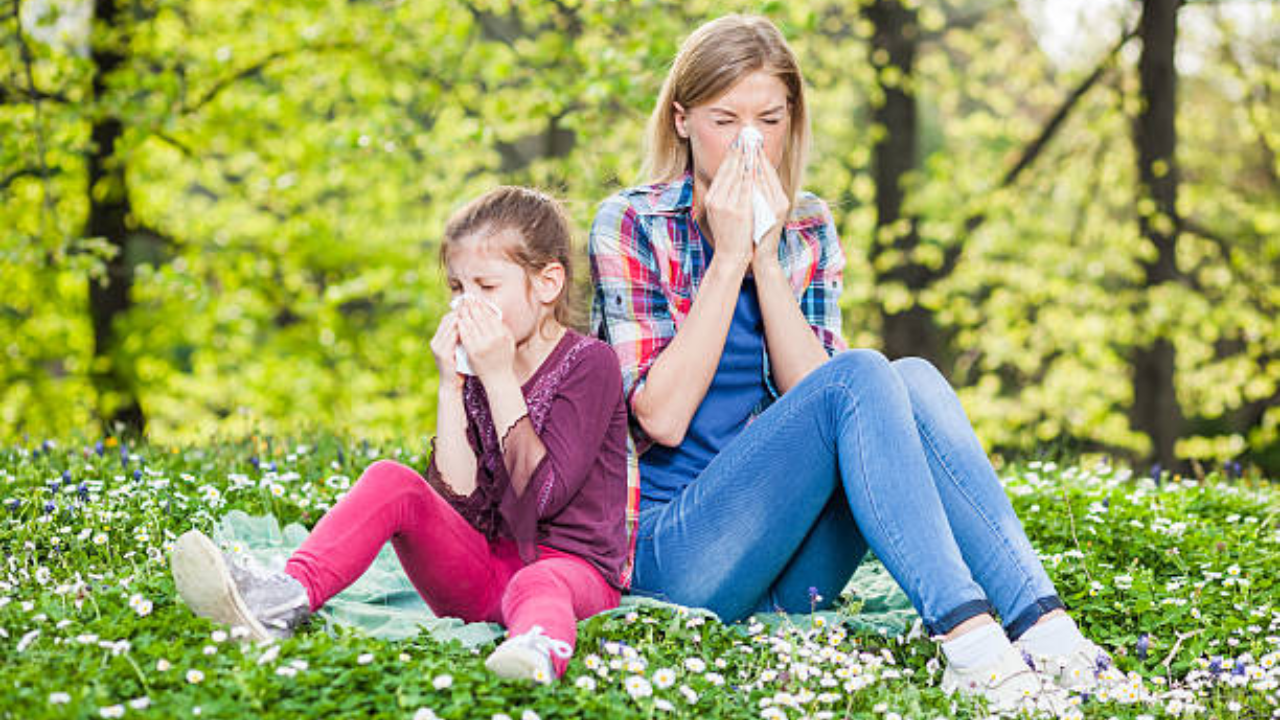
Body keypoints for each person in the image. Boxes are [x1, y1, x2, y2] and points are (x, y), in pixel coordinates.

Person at [588, 14, 1108, 712]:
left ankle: (1043, 628)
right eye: (724, 120)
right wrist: (728, 259)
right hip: (674, 559)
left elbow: (831, 402)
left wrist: (766, 258)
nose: (750, 142)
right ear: (681, 121)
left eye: (769, 120)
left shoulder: (807, 226)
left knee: (910, 380)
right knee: (867, 371)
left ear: (791, 122)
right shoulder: (631, 223)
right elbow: (662, 415)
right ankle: (970, 642)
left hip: (786, 561)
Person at [172, 186, 630, 683]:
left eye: (486, 287)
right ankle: (282, 599)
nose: (467, 305)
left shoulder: (589, 364)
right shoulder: (477, 372)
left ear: (547, 284)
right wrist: (450, 386)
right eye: (457, 289)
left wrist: (498, 376)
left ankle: (536, 650)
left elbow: (541, 497)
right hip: (484, 576)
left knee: (539, 581)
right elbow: (458, 505)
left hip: (572, 575)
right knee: (391, 478)